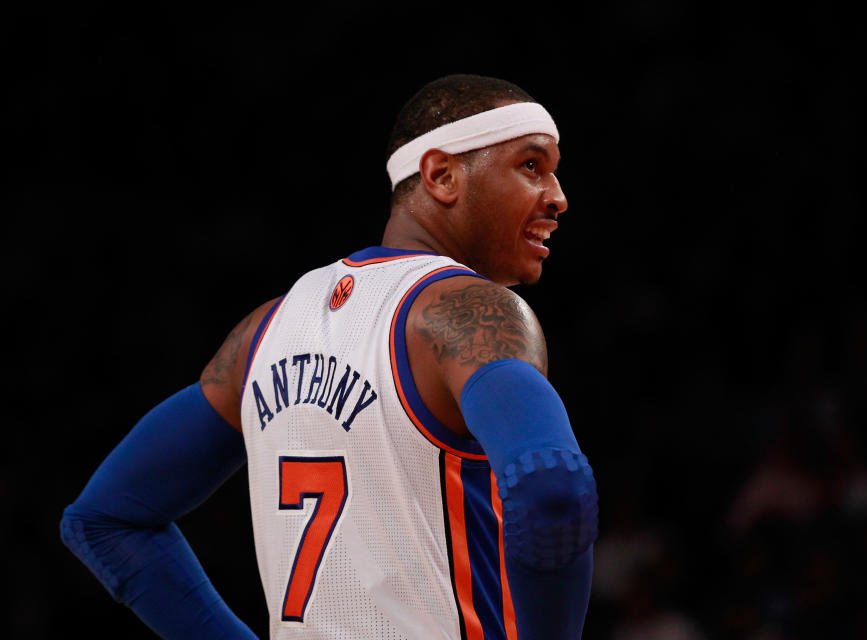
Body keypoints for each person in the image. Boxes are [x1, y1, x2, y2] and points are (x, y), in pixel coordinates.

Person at [61, 74, 599, 639]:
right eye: (531, 166)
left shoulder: (266, 328)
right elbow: (552, 491)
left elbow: (104, 521)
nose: (559, 196)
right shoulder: (468, 313)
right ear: (442, 176)